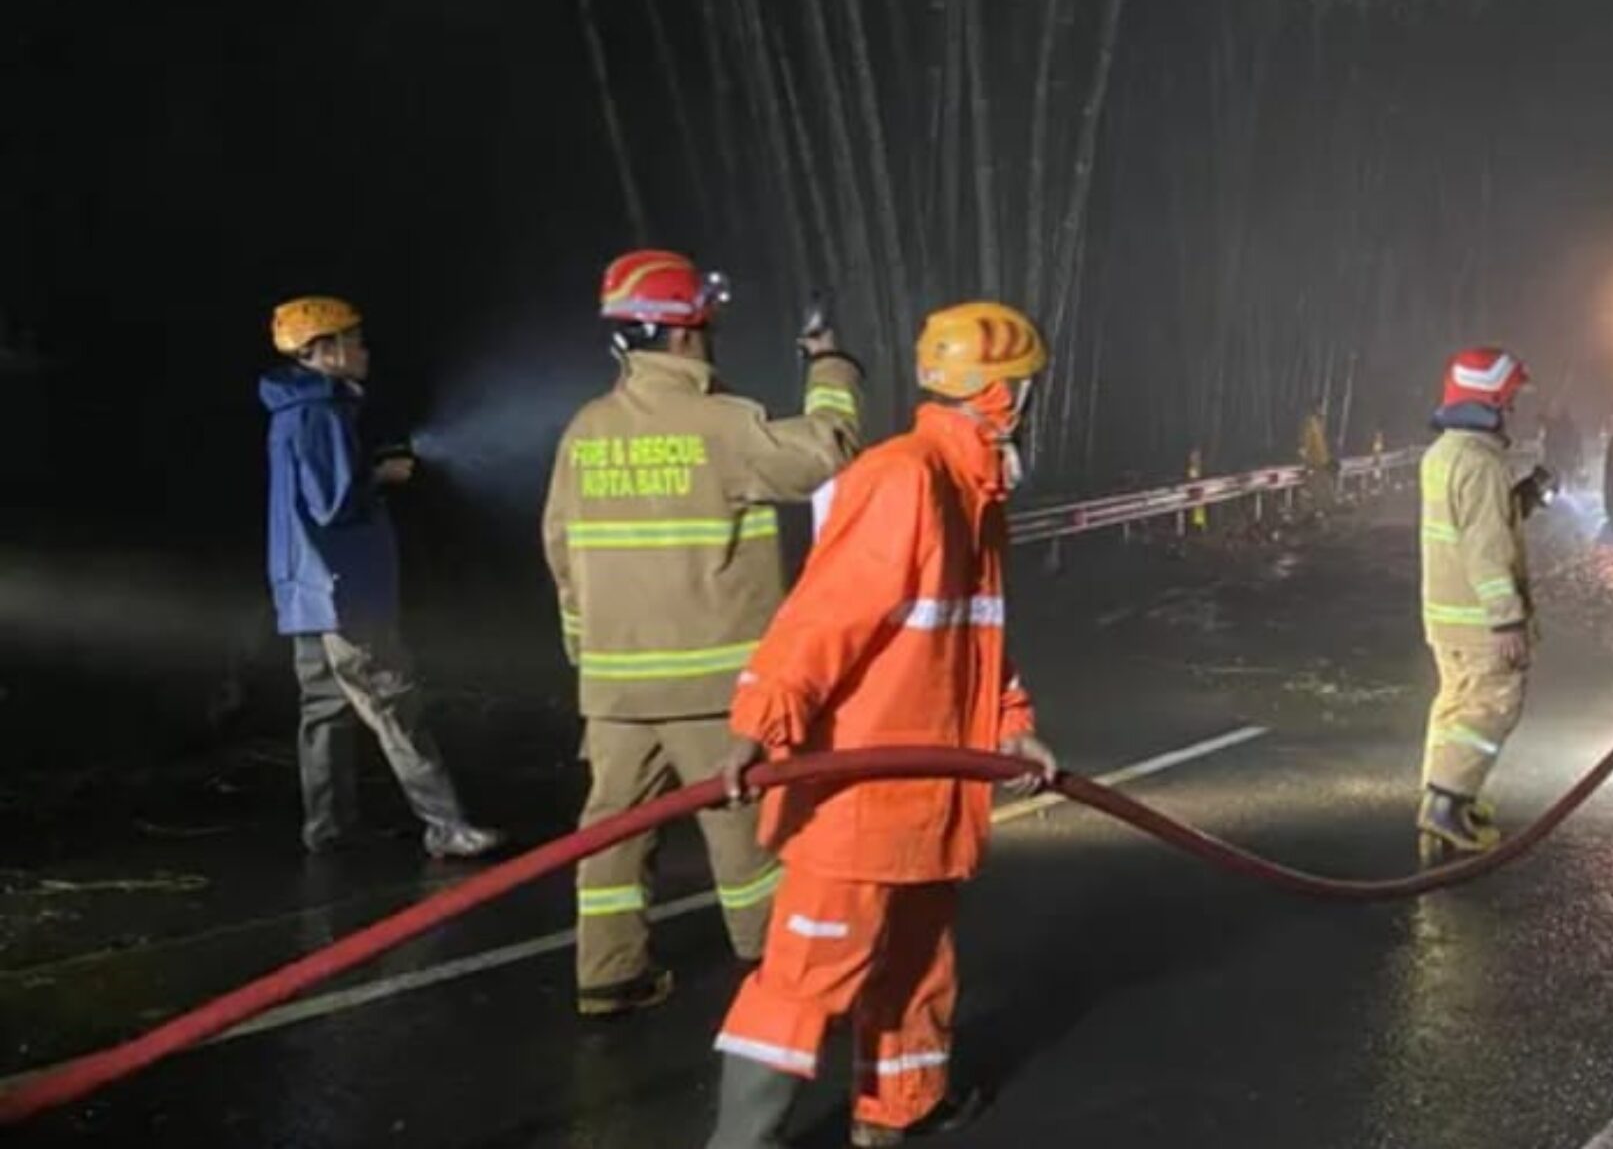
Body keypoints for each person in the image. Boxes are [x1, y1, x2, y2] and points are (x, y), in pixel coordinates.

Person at [704, 301, 1058, 1149]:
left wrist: (1012, 724)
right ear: (998, 396)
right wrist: (760, 721)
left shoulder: (977, 495)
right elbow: (822, 618)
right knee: (802, 987)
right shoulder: (906, 479)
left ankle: (900, 1111)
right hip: (862, 799)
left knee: (916, 967)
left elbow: (977, 638)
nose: (1031, 406)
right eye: (1026, 389)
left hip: (937, 787)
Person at [542, 249, 866, 1017]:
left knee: (610, 838)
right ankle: (776, 969)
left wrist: (588, 658)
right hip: (715, 690)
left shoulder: (584, 431)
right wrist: (833, 368)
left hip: (615, 689)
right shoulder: (723, 424)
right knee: (747, 835)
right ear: (688, 332)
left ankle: (609, 976)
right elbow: (829, 452)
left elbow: (560, 552)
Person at [261, 297, 501, 859]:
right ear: (324, 349)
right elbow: (330, 501)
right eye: (355, 338)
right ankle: (445, 824)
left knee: (323, 708)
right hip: (342, 588)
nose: (363, 350)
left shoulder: (295, 410)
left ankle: (328, 827)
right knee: (392, 701)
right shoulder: (319, 413)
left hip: (305, 589)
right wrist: (381, 474)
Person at [1416, 346, 1541, 865]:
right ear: (1490, 399)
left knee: (1455, 706)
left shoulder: (1445, 453)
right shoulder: (1482, 461)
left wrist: (1523, 499)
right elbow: (1486, 548)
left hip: (1446, 615)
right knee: (1492, 707)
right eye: (1509, 398)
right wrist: (1507, 617)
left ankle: (1445, 797)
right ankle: (1445, 805)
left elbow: (1471, 526)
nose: (1512, 407)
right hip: (1479, 621)